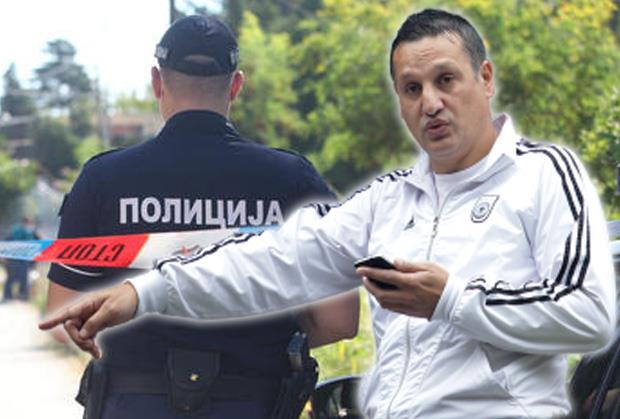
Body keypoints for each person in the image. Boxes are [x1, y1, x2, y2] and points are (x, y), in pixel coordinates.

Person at [40, 8, 617, 418]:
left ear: (484, 79)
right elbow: (272, 263)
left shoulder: (543, 174)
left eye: (446, 80)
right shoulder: (383, 200)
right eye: (411, 88)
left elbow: (589, 315)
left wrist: (451, 299)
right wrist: (147, 292)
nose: (431, 103)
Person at [43, 15, 358, 419]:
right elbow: (340, 320)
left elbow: (61, 314)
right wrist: (263, 340)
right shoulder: (294, 181)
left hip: (133, 404)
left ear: (157, 82)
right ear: (236, 85)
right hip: (254, 403)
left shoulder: (103, 179)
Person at [3, 216, 39, 301]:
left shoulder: (15, 231)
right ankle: (22, 295)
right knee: (22, 278)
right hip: (21, 259)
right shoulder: (27, 232)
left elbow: (6, 242)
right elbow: (37, 244)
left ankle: (8, 295)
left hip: (14, 259)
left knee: (12, 278)